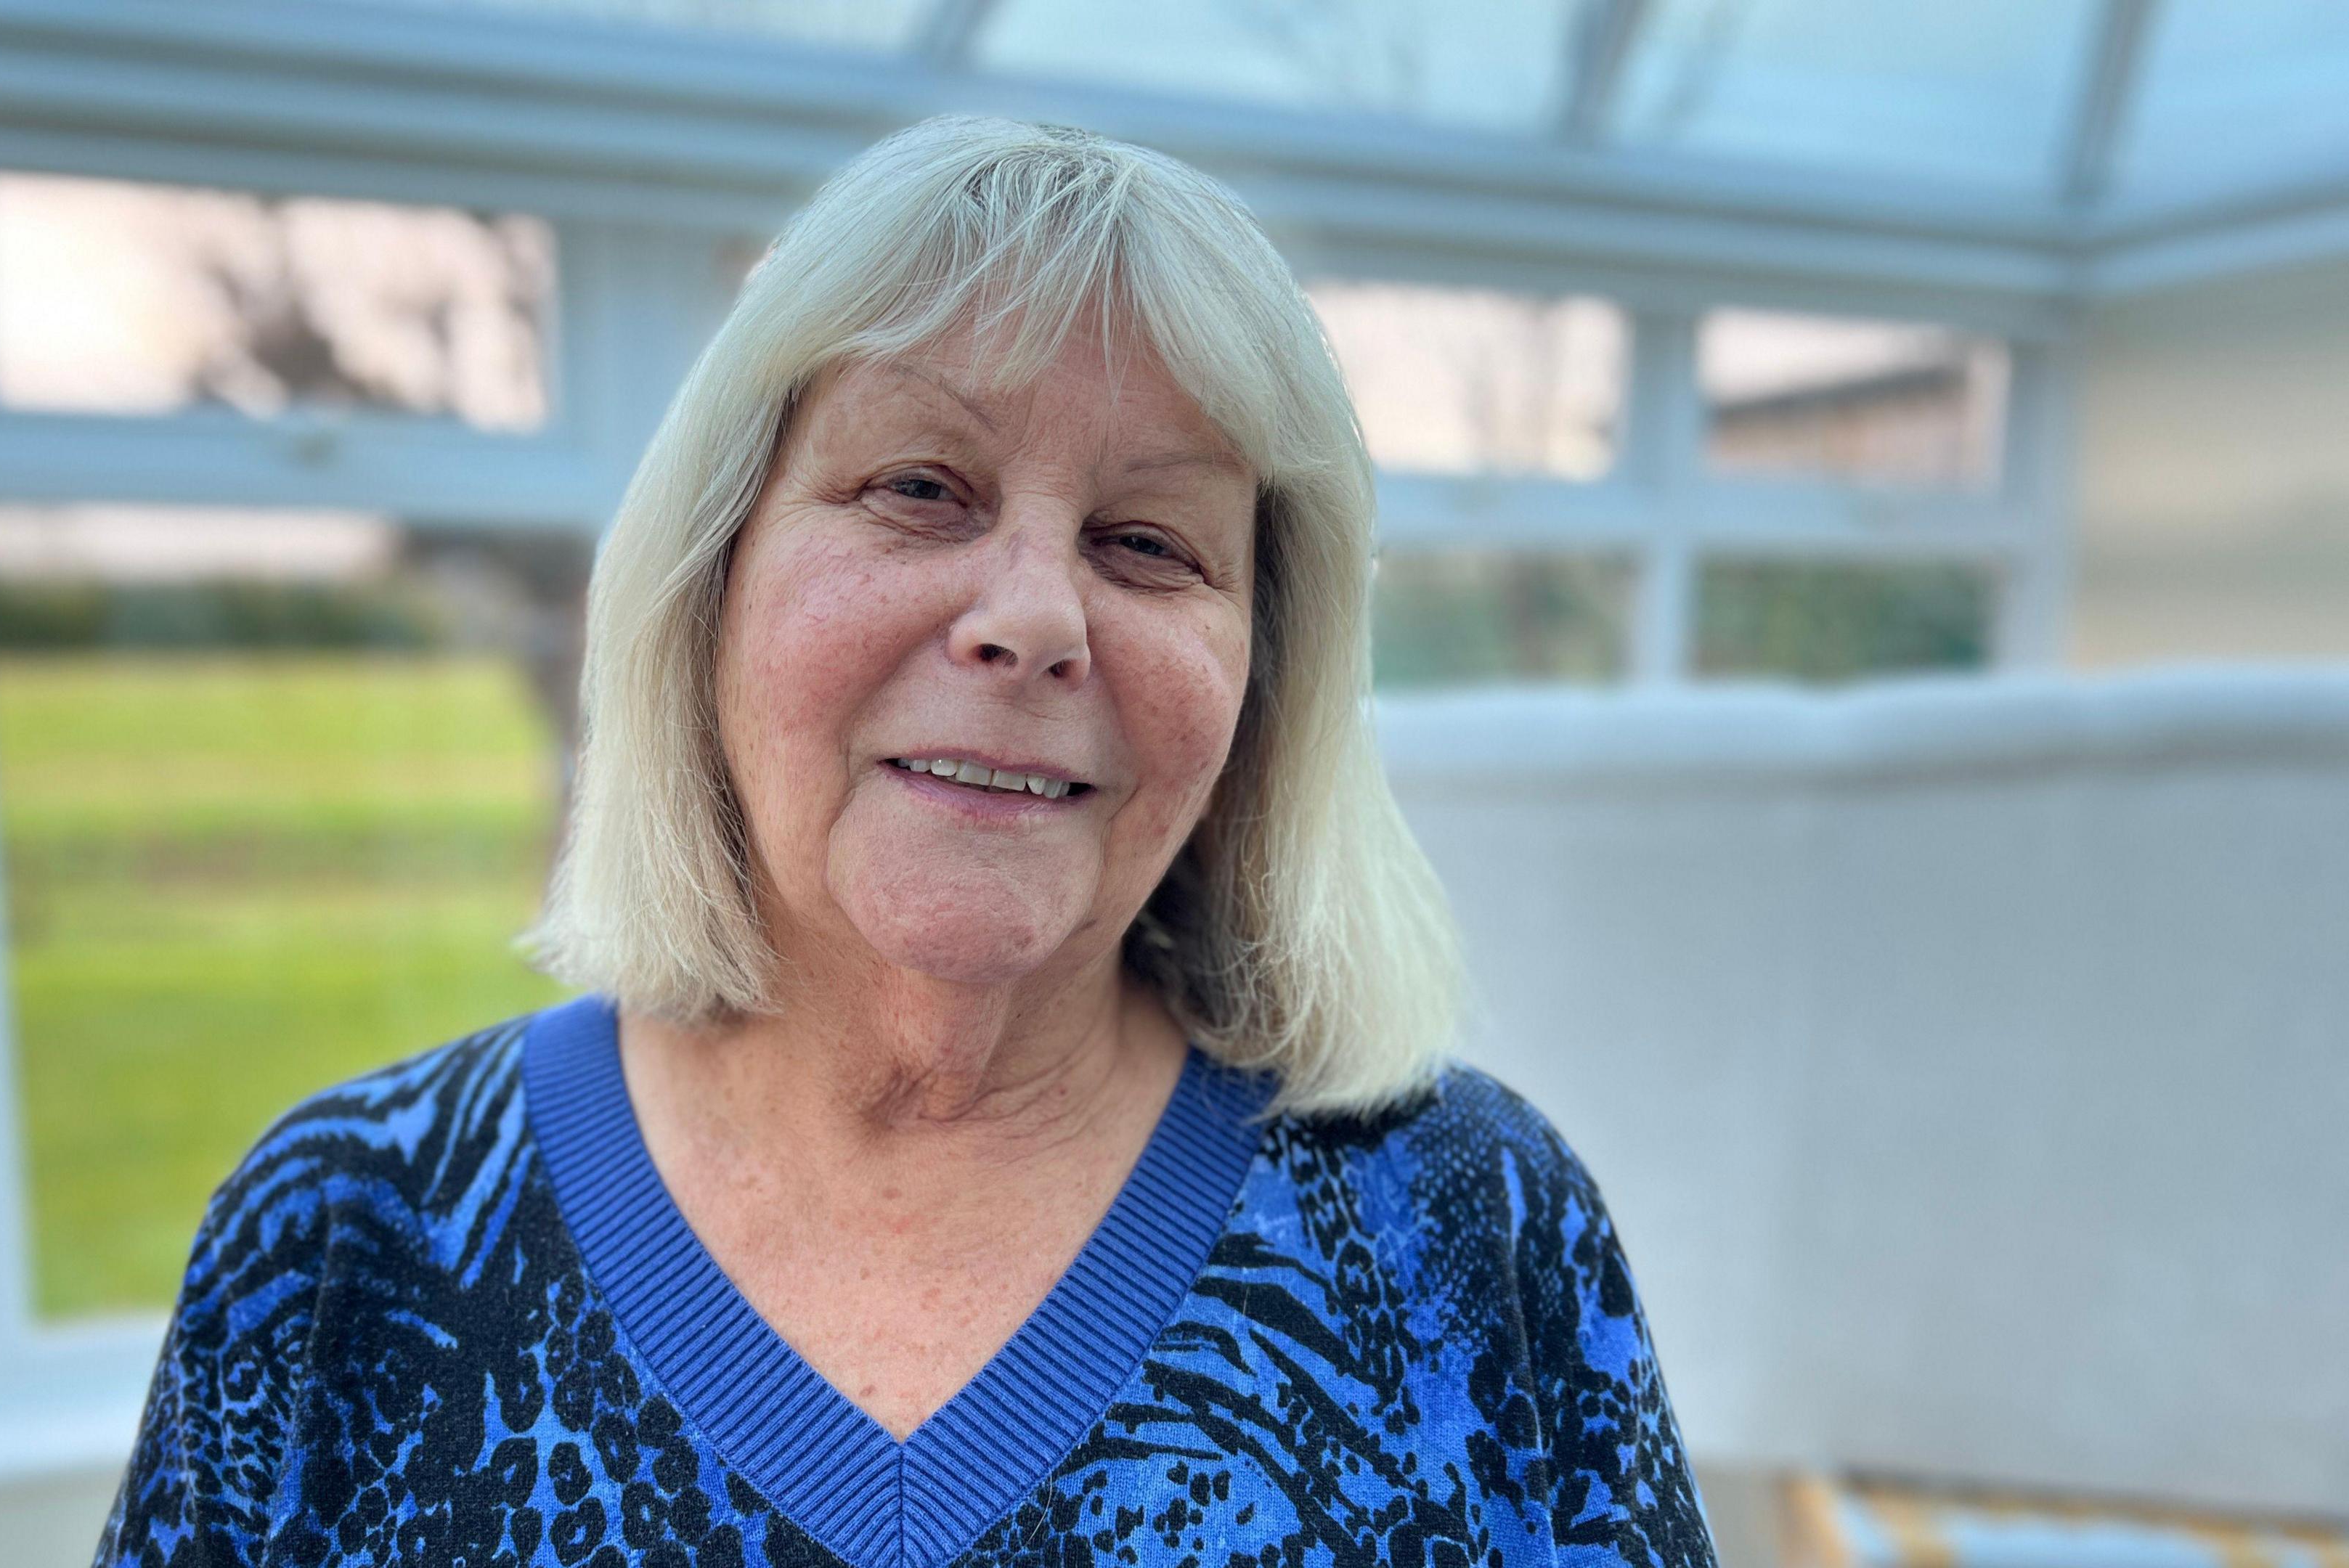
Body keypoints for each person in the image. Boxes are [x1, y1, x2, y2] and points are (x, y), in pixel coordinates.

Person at [93, 115, 1717, 1568]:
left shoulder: (1471, 1230)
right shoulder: (348, 1243)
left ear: (1256, 695)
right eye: (921, 488)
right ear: (711, 582)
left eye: (1149, 544)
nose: (1030, 619)